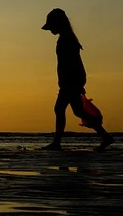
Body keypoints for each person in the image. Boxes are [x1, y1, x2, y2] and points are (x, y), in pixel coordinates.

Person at [41, 8, 114, 151]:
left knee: (59, 108)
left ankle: (57, 143)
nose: (50, 31)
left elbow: (72, 62)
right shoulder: (67, 38)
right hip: (71, 80)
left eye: (51, 27)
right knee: (78, 111)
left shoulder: (66, 39)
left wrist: (76, 81)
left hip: (71, 80)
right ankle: (105, 136)